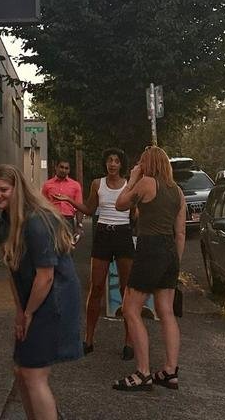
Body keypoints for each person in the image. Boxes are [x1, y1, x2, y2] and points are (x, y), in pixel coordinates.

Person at [0, 164, 82, 420]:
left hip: (52, 301)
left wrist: (28, 314)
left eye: (4, 189)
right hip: (31, 299)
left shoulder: (37, 223)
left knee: (34, 374)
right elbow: (14, 271)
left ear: (18, 190)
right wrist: (19, 311)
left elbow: (46, 275)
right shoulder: (6, 222)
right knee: (21, 371)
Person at [113, 146, 186, 391]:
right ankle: (170, 371)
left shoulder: (145, 183)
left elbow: (120, 205)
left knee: (130, 309)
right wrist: (175, 263)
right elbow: (181, 232)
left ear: (147, 164)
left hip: (150, 249)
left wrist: (132, 179)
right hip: (169, 252)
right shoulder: (177, 191)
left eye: (141, 162)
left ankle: (142, 372)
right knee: (166, 311)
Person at [53, 148, 135, 359]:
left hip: (123, 235)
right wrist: (70, 201)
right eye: (109, 160)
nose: (113, 164)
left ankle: (129, 341)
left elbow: (136, 211)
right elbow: (89, 209)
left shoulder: (130, 184)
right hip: (103, 235)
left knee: (126, 290)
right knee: (96, 286)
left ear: (121, 164)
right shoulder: (97, 184)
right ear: (105, 163)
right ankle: (88, 339)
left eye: (116, 161)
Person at [41, 159, 83, 239]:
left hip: (68, 220)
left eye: (66, 168)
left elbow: (79, 207)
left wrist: (79, 225)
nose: (63, 170)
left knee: (67, 247)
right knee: (51, 246)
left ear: (69, 170)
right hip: (52, 218)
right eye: (61, 167)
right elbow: (42, 205)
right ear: (56, 167)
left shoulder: (75, 185)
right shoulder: (47, 185)